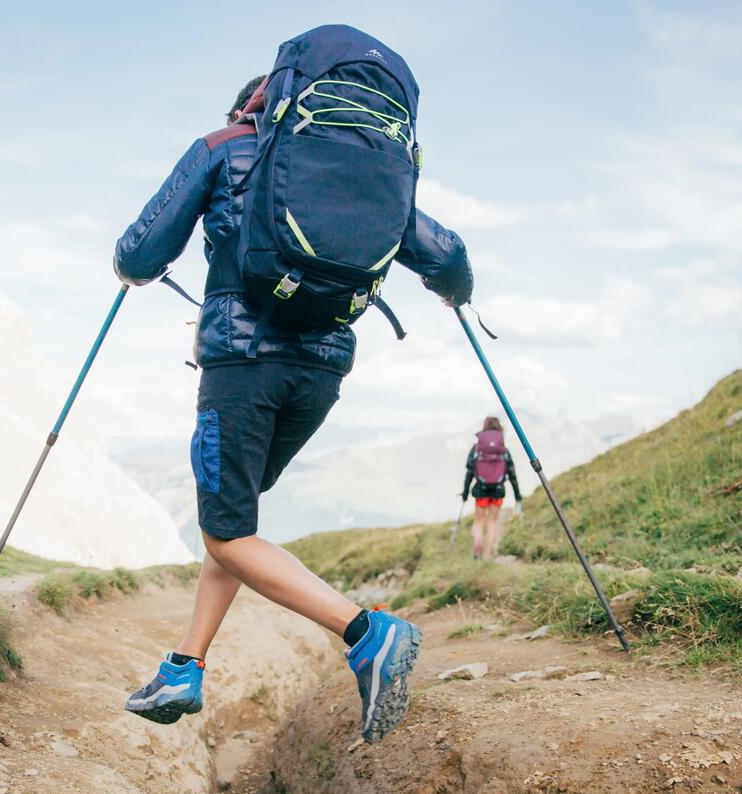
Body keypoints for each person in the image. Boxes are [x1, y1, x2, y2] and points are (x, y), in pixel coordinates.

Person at [114, 72, 473, 744]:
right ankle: (185, 666)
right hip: (323, 371)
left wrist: (130, 270)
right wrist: (457, 292)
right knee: (237, 521)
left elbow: (139, 252)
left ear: (249, 106)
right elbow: (447, 255)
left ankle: (366, 632)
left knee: (225, 531)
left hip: (243, 366)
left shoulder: (223, 148)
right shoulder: (363, 170)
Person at [461, 416, 522, 559]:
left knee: (479, 520)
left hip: (480, 489)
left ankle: (477, 542)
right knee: (492, 522)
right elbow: (512, 473)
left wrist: (465, 492)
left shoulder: (476, 448)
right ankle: (487, 555)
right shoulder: (503, 450)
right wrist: (517, 495)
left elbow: (470, 471)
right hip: (498, 491)